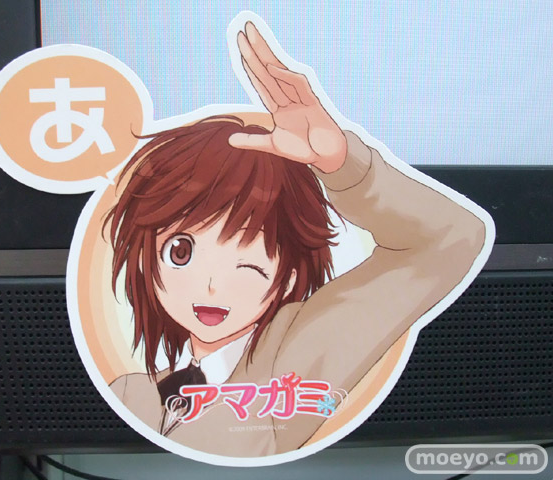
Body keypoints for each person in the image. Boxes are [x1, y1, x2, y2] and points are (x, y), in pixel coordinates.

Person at [106, 21, 488, 457]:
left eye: (250, 259)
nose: (211, 287)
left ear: (287, 272)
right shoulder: (130, 393)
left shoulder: (299, 353)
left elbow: (451, 237)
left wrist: (344, 164)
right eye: (181, 251)